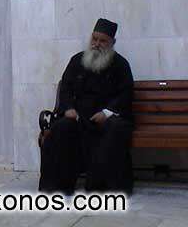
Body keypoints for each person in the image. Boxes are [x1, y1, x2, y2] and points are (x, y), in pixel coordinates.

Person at [38, 18, 134, 194]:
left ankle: (101, 188)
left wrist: (106, 113)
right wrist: (68, 109)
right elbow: (65, 88)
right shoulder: (77, 61)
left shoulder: (121, 65)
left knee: (115, 130)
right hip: (78, 118)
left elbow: (125, 95)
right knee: (62, 128)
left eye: (102, 40)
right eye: (94, 39)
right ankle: (57, 187)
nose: (97, 44)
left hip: (106, 119)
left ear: (112, 42)